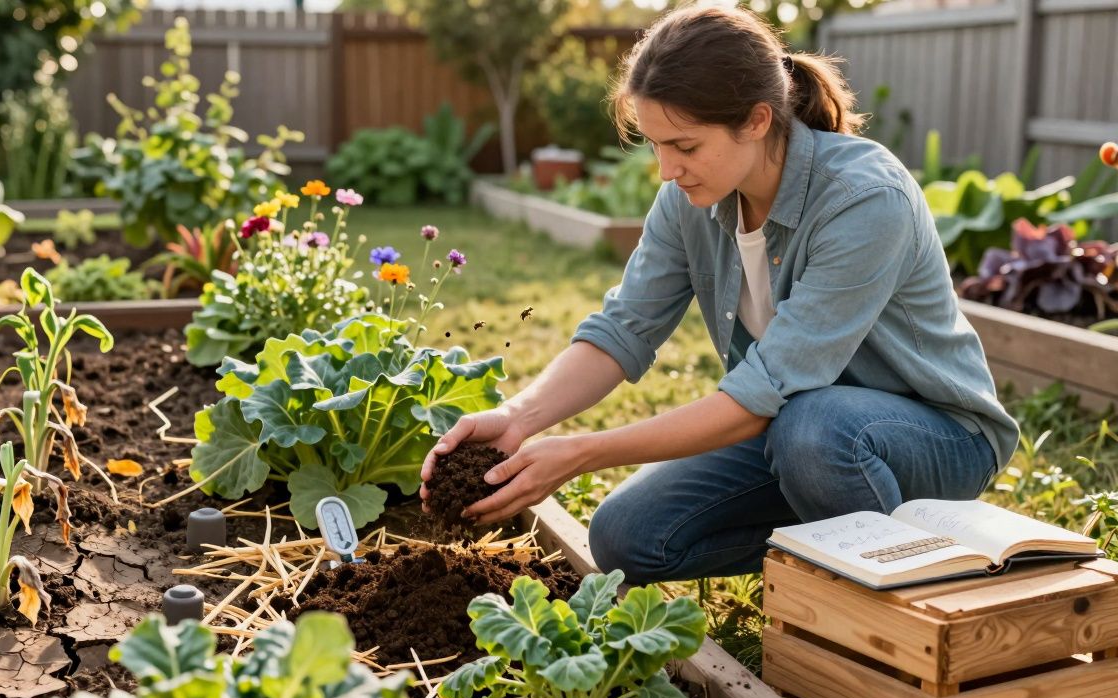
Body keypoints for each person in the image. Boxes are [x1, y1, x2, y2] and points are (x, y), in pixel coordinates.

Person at [419, 5, 1019, 583]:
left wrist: (581, 453)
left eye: (684, 147)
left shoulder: (863, 199)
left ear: (757, 120)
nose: (666, 169)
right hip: (798, 433)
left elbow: (761, 396)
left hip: (932, 437)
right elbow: (623, 329)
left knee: (814, 428)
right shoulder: (689, 201)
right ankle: (823, 555)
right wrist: (517, 416)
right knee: (627, 536)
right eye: (655, 146)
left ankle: (896, 581)